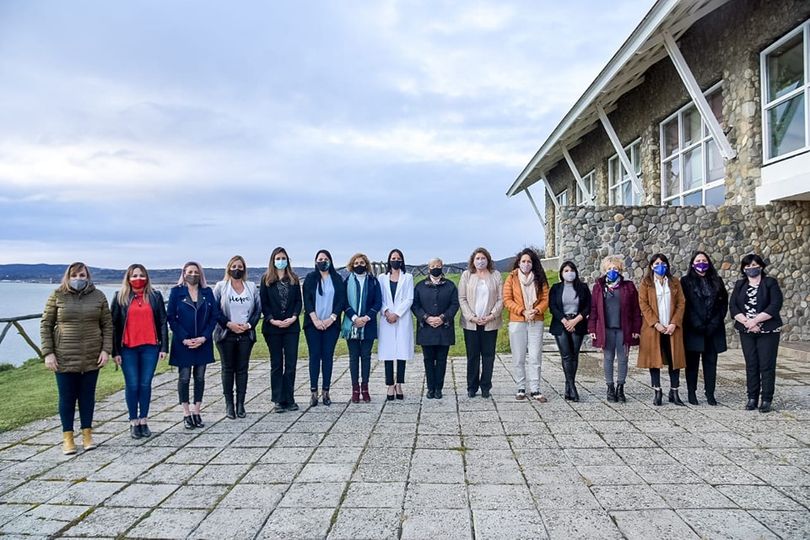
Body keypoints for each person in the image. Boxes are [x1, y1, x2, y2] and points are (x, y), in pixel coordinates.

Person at [41, 262, 113, 454]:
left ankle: (87, 435)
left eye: (82, 275)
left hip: (91, 356)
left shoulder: (98, 296)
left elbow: (107, 325)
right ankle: (68, 438)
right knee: (67, 398)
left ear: (88, 276)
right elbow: (46, 325)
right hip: (64, 356)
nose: (79, 279)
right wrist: (48, 353)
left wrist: (106, 350)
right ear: (68, 276)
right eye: (75, 275)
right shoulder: (57, 295)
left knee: (87, 397)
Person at [111, 264, 168, 439]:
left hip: (150, 347)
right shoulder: (120, 297)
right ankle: (133, 421)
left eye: (141, 275)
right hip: (127, 348)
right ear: (128, 278)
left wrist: (164, 347)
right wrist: (115, 351)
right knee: (132, 384)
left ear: (147, 277)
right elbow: (113, 325)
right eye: (134, 275)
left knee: (145, 384)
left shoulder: (155, 296)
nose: (138, 278)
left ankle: (144, 420)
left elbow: (162, 322)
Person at [167, 262, 219, 429]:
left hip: (202, 342)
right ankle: (186, 413)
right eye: (190, 272)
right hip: (183, 343)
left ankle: (197, 411)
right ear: (184, 273)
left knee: (200, 377)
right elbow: (171, 318)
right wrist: (183, 338)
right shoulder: (176, 292)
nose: (193, 274)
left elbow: (214, 316)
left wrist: (204, 337)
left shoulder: (207, 292)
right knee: (184, 377)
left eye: (196, 272)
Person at [730, 254, 783, 413]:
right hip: (746, 330)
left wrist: (756, 321)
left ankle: (766, 398)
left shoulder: (770, 283)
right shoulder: (740, 285)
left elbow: (775, 305)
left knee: (766, 364)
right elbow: (733, 307)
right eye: (747, 266)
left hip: (768, 330)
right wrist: (747, 322)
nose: (751, 268)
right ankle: (752, 397)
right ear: (743, 268)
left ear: (760, 266)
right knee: (751, 364)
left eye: (754, 265)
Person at [213, 256, 261, 419]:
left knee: (242, 369)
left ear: (244, 269)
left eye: (240, 267)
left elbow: (257, 310)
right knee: (228, 369)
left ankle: (241, 404)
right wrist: (228, 324)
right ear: (228, 268)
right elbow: (215, 310)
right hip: (226, 334)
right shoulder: (221, 287)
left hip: (246, 333)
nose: (237, 269)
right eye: (234, 266)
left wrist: (248, 325)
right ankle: (229, 405)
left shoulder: (251, 287)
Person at [588, 255, 641, 403]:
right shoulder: (599, 287)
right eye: (610, 268)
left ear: (620, 270)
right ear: (605, 270)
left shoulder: (628, 287)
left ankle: (620, 387)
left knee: (623, 359)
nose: (612, 271)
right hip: (606, 329)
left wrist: (637, 328)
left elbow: (636, 310)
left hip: (624, 329)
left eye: (616, 268)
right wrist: (592, 328)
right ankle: (610, 388)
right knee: (608, 359)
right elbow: (593, 309)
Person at [638, 253, 687, 406]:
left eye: (663, 263)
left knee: (674, 360)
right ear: (651, 266)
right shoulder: (646, 283)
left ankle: (674, 391)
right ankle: (657, 391)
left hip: (672, 328)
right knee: (654, 360)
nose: (660, 266)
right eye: (657, 263)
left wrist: (674, 323)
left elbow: (681, 303)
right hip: (654, 328)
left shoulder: (674, 282)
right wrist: (655, 323)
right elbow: (643, 305)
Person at [680, 251, 728, 406]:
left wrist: (714, 323)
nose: (701, 263)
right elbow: (685, 305)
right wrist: (697, 324)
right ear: (693, 264)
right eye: (698, 260)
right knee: (692, 364)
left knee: (710, 363)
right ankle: (691, 392)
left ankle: (710, 393)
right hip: (694, 329)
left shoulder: (717, 281)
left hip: (713, 329)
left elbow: (723, 304)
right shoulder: (686, 281)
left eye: (704, 260)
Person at [502, 248, 549, 402]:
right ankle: (521, 387)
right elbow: (507, 299)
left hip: (536, 320)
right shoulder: (512, 277)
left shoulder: (540, 277)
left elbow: (545, 298)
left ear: (533, 263)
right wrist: (522, 311)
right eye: (523, 261)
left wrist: (536, 310)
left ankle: (535, 388)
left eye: (529, 261)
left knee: (535, 356)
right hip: (517, 321)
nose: (526, 264)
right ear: (519, 262)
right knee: (519, 356)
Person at [260, 247, 302, 413]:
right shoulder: (266, 280)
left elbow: (299, 301)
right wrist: (272, 320)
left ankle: (289, 398)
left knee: (291, 364)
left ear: (287, 260)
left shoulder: (294, 279)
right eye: (278, 258)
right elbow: (264, 303)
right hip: (273, 328)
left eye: (283, 258)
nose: (281, 261)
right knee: (277, 363)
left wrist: (294, 316)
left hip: (291, 327)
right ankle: (278, 399)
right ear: (273, 260)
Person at [303, 249, 346, 407]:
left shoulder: (337, 278)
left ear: (330, 261)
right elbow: (307, 300)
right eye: (320, 259)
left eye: (325, 259)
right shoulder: (310, 278)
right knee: (314, 356)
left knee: (328, 356)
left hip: (331, 324)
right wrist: (315, 319)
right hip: (313, 324)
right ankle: (313, 392)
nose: (323, 261)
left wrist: (332, 318)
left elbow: (341, 299)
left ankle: (326, 391)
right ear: (316, 262)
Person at [459, 247, 503, 399]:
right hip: (471, 323)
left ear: (488, 260)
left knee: (488, 355)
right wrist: (472, 317)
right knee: (473, 356)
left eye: (483, 258)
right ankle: (472, 387)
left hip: (490, 322)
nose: (480, 261)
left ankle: (486, 386)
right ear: (473, 261)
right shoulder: (467, 275)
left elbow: (500, 299)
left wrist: (491, 316)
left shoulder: (495, 275)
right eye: (477, 258)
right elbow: (462, 299)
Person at [412, 258, 459, 399]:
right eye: (433, 266)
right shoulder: (420, 286)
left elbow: (454, 304)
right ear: (428, 268)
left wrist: (443, 318)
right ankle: (430, 388)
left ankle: (439, 388)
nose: (435, 268)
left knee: (442, 360)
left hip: (444, 328)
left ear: (442, 267)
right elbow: (415, 305)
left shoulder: (450, 286)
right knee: (428, 359)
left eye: (438, 266)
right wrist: (426, 317)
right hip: (426, 328)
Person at [342, 253, 382, 403]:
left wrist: (366, 318)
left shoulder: (373, 281)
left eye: (362, 262)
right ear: (352, 265)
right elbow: (344, 302)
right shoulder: (347, 281)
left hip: (368, 323)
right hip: (351, 323)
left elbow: (378, 302)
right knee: (353, 357)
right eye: (356, 263)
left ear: (366, 264)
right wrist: (354, 318)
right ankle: (355, 389)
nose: (359, 265)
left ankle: (365, 388)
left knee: (365, 356)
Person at [548, 260, 591, 402]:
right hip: (561, 324)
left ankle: (568, 386)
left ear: (575, 272)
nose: (569, 273)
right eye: (566, 271)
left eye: (571, 270)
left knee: (574, 355)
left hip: (577, 323)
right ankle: (573, 387)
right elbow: (553, 307)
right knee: (566, 356)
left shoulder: (583, 287)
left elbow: (588, 307)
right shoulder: (556, 288)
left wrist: (575, 320)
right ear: (561, 273)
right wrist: (565, 321)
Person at [377, 249, 414, 400]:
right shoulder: (381, 278)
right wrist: (386, 312)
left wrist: (397, 314)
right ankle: (390, 385)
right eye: (393, 258)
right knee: (388, 353)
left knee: (401, 353)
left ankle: (399, 383)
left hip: (402, 318)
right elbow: (379, 298)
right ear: (389, 260)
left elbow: (409, 298)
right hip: (386, 319)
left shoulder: (408, 277)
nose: (396, 260)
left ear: (402, 260)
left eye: (398, 258)